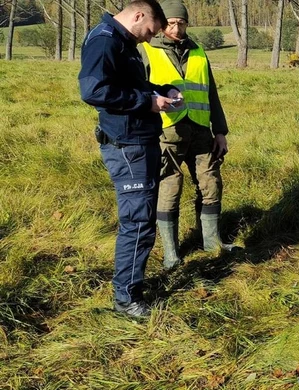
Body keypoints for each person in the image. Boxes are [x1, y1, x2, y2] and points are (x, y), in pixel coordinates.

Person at [79, 0, 181, 318]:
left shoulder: (121, 40)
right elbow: (94, 91)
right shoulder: (106, 39)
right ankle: (126, 298)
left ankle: (130, 287)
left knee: (141, 219)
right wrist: (147, 102)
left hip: (138, 141)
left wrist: (161, 91)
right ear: (138, 16)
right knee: (137, 222)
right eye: (150, 31)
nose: (149, 39)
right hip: (127, 145)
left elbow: (128, 85)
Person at [137, 0, 237, 271]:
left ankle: (211, 242)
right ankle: (171, 252)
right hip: (166, 133)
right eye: (171, 23)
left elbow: (211, 93)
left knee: (211, 183)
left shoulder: (199, 52)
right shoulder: (146, 50)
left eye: (181, 22)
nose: (176, 27)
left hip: (202, 131)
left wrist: (220, 131)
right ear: (160, 24)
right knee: (170, 187)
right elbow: (139, 92)